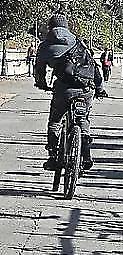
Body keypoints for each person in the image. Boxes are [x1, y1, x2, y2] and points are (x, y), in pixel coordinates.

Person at [33, 13, 106, 171]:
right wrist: (99, 89)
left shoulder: (45, 45)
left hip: (63, 89)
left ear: (50, 27)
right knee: (83, 119)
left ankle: (53, 156)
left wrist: (42, 84)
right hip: (86, 89)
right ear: (67, 26)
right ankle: (86, 154)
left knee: (55, 121)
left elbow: (39, 69)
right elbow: (93, 66)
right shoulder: (78, 43)